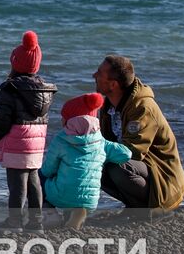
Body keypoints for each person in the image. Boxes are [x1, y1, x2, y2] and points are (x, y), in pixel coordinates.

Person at [93, 55, 184, 211]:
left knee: (118, 167)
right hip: (142, 171)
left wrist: (96, 151)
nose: (94, 75)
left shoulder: (142, 107)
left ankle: (150, 209)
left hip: (162, 180)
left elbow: (133, 152)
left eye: (99, 73)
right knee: (91, 165)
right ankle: (134, 207)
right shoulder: (108, 106)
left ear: (113, 84)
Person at [0, 31, 57, 228]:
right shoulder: (44, 90)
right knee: (34, 180)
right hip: (36, 143)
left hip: (17, 142)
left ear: (15, 63)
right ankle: (36, 221)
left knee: (16, 184)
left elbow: (2, 118)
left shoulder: (10, 89)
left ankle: (15, 221)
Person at [39, 92, 133, 229]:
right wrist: (103, 159)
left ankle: (50, 214)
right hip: (90, 200)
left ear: (70, 121)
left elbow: (48, 170)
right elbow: (126, 154)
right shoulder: (101, 142)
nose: (61, 120)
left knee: (39, 176)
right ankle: (74, 213)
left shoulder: (61, 139)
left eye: (64, 117)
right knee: (81, 175)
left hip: (61, 196)